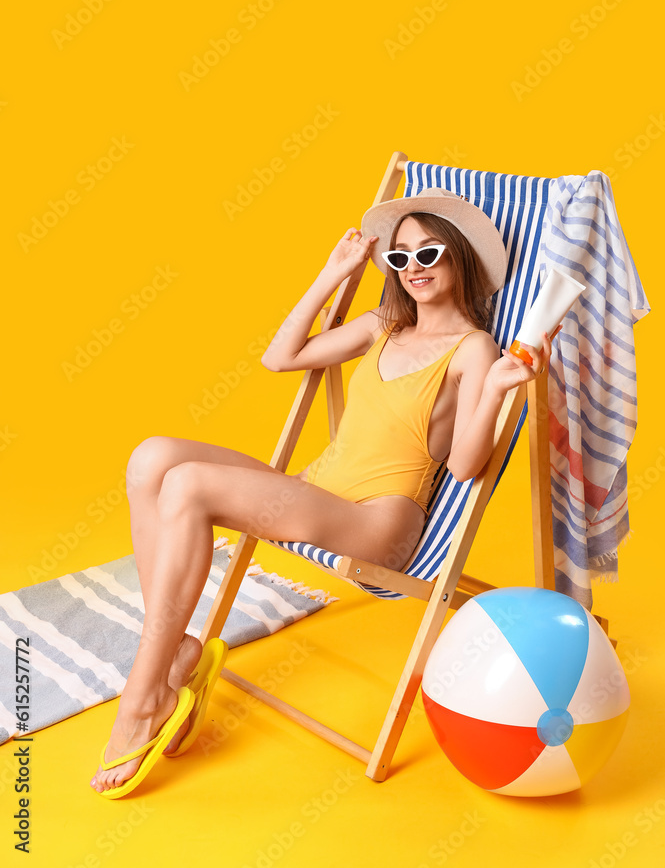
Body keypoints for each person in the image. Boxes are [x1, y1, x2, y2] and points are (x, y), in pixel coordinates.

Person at [90, 186, 557, 797]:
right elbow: (280, 358)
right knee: (151, 457)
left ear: (460, 257)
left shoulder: (475, 350)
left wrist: (498, 388)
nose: (413, 268)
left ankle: (144, 697)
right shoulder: (382, 325)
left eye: (429, 253)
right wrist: (333, 275)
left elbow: (468, 466)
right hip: (315, 492)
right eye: (400, 257)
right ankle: (175, 656)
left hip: (376, 521)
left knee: (187, 485)